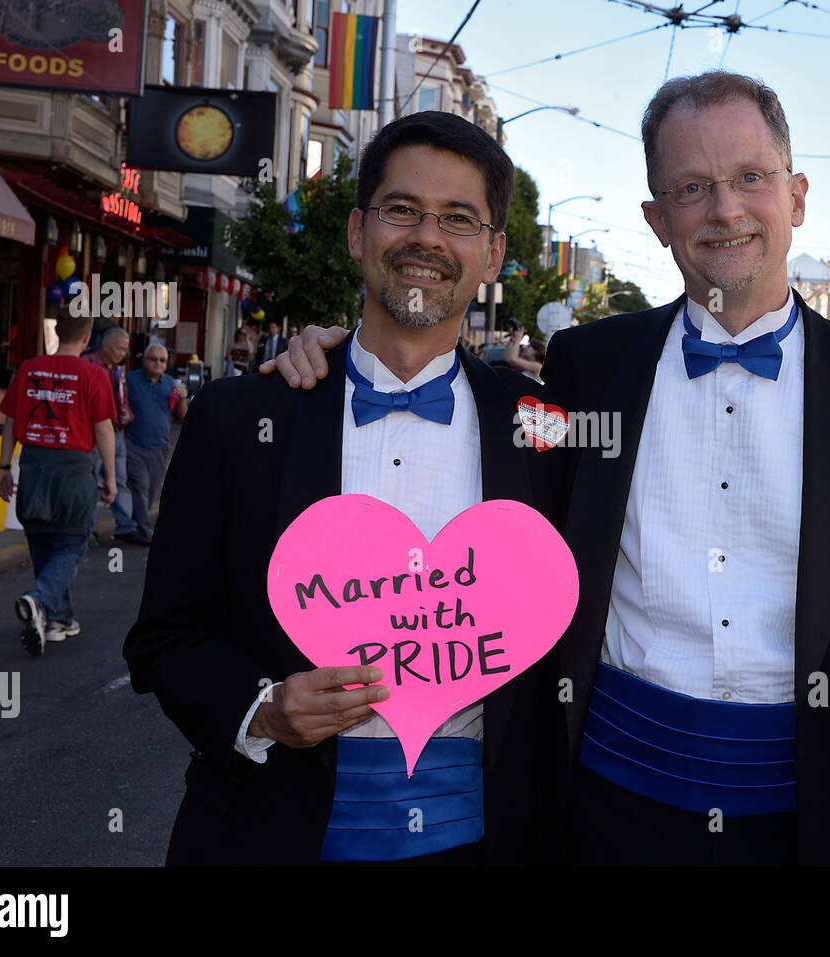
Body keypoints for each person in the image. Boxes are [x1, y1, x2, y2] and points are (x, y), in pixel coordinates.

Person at [271, 71, 830, 866]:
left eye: (751, 177)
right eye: (692, 186)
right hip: (604, 812)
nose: (725, 208)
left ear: (798, 195)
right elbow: (446, 404)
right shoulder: (587, 368)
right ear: (657, 217)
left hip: (817, 822)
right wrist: (334, 357)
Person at [124, 111, 567, 866]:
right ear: (358, 231)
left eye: (458, 219)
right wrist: (263, 709)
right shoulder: (242, 416)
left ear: (493, 253)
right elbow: (165, 638)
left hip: (482, 842)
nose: (427, 238)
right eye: (402, 210)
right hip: (265, 834)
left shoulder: (546, 436)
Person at [0, 313, 117, 655]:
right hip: (73, 470)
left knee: (43, 544)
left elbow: (10, 420)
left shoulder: (29, 369)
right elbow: (104, 429)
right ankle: (39, 600)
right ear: (87, 336)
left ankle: (57, 619)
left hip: (33, 465)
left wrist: (4, 467)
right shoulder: (94, 375)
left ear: (56, 332)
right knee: (71, 545)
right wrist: (111, 477)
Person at [123, 344, 188, 545]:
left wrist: (183, 397)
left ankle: (133, 526)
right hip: (134, 444)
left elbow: (182, 415)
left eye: (162, 360)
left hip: (160, 446)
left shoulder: (171, 383)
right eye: (153, 359)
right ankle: (145, 530)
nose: (158, 363)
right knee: (140, 487)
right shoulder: (130, 380)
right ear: (144, 359)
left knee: (150, 491)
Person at [82, 327, 138, 542]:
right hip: (95, 435)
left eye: (125, 349)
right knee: (91, 482)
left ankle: (126, 526)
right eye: (119, 348)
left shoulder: (118, 371)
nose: (123, 353)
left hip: (116, 433)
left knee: (120, 482)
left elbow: (122, 402)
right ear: (105, 346)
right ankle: (86, 530)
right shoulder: (88, 365)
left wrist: (127, 415)